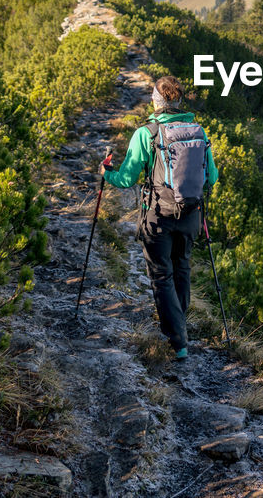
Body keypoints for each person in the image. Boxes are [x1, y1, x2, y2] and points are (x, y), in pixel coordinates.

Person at [101, 75, 218, 359]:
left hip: (158, 217)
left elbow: (127, 178)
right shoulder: (198, 132)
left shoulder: (147, 133)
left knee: (161, 276)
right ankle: (179, 326)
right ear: (179, 101)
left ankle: (178, 343)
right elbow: (211, 178)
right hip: (191, 215)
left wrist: (107, 174)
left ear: (156, 101)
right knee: (182, 270)